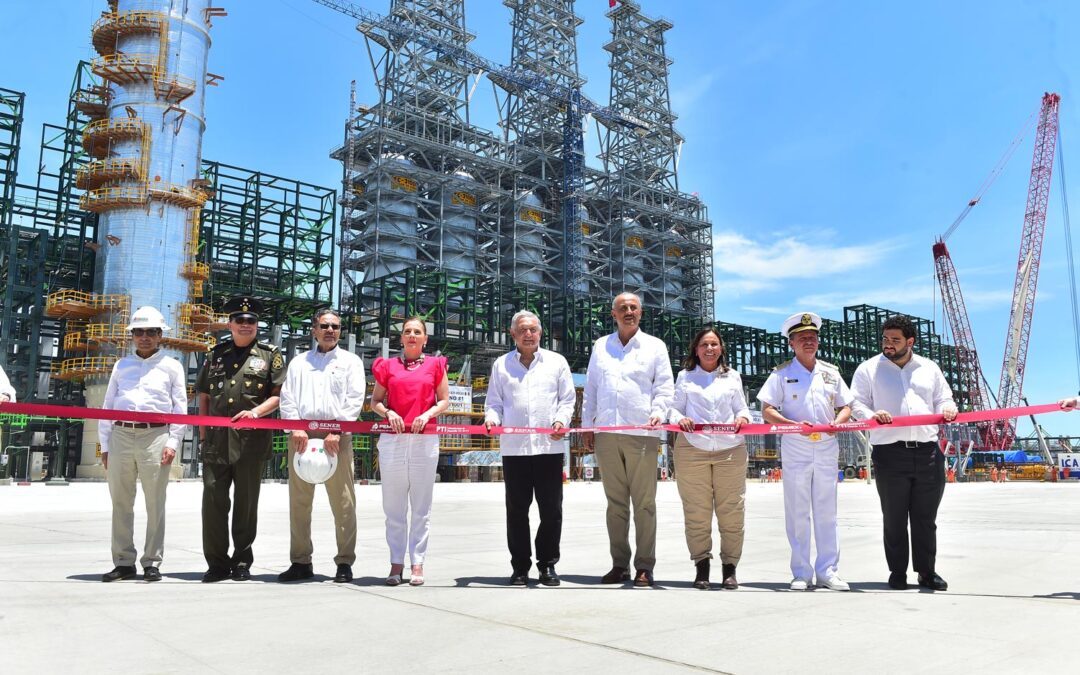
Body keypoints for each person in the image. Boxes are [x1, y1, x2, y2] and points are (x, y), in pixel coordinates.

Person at [850, 314, 958, 592]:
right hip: (890, 453)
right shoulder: (869, 369)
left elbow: (943, 397)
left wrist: (948, 407)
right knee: (894, 517)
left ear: (910, 341)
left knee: (925, 518)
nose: (888, 344)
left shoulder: (929, 368)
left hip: (927, 452)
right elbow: (856, 403)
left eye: (895, 340)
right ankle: (897, 572)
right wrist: (873, 414)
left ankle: (926, 571)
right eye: (885, 339)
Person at [581, 292, 674, 587]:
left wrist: (659, 413)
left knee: (645, 503)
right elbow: (592, 389)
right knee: (615, 504)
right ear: (614, 314)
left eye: (633, 307)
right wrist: (587, 427)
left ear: (641, 313)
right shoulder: (601, 346)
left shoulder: (655, 347)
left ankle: (644, 566)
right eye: (623, 308)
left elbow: (664, 387)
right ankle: (619, 564)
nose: (628, 312)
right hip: (607, 434)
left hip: (641, 434)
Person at [757, 312, 853, 592]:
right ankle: (801, 572)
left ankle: (828, 571)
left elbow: (847, 405)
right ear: (791, 343)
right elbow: (767, 410)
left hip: (826, 445)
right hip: (796, 446)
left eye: (812, 337)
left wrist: (838, 422)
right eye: (802, 338)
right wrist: (791, 425)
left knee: (827, 511)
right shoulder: (782, 374)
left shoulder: (831, 373)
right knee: (798, 511)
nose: (808, 342)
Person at [196, 297, 285, 583]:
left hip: (251, 442)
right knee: (213, 502)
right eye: (239, 320)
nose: (245, 325)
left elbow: (278, 395)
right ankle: (217, 563)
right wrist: (202, 436)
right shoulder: (215, 354)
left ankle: (242, 561)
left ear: (257, 325)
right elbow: (205, 397)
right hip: (216, 442)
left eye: (251, 321)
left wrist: (256, 413)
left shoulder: (270, 355)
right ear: (230, 323)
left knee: (246, 505)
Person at [484, 310, 576, 587]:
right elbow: (494, 402)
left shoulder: (557, 362)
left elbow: (567, 400)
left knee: (551, 511)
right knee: (516, 511)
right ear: (513, 333)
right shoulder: (501, 365)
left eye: (533, 329)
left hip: (549, 448)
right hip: (515, 451)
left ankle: (547, 565)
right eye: (522, 329)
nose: (528, 334)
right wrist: (492, 419)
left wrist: (561, 420)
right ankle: (520, 567)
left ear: (540, 333)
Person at [98, 306, 187, 582]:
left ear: (160, 335)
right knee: (121, 502)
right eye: (139, 332)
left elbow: (180, 408)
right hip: (121, 435)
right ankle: (124, 562)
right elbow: (108, 405)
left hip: (155, 436)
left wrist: (173, 441)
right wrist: (105, 445)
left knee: (154, 502)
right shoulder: (121, 365)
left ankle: (152, 562)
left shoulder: (172, 366)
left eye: (151, 332)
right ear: (132, 336)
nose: (145, 337)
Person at [278, 309, 366, 583]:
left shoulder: (351, 362)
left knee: (343, 502)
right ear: (314, 329)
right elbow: (288, 397)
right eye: (325, 325)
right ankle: (300, 561)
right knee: (299, 502)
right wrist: (295, 427)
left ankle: (344, 562)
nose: (330, 330)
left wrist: (338, 430)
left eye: (336, 326)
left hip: (336, 437)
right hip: (301, 436)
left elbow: (355, 398)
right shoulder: (299, 363)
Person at [669, 327, 751, 590]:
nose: (709, 349)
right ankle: (701, 565)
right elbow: (674, 407)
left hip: (730, 450)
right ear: (696, 348)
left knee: (732, 511)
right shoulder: (685, 376)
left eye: (714, 344)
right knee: (697, 512)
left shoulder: (732, 376)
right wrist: (679, 419)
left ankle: (730, 568)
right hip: (693, 449)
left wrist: (743, 418)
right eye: (704, 344)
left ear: (721, 348)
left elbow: (741, 407)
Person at [370, 317, 450, 586]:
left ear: (425, 339)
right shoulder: (388, 366)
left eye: (418, 332)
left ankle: (417, 562)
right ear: (401, 339)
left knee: (421, 506)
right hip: (393, 440)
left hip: (423, 440)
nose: (412, 336)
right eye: (407, 332)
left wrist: (427, 415)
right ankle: (395, 563)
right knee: (393, 507)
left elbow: (444, 401)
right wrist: (388, 412)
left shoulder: (435, 365)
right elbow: (375, 401)